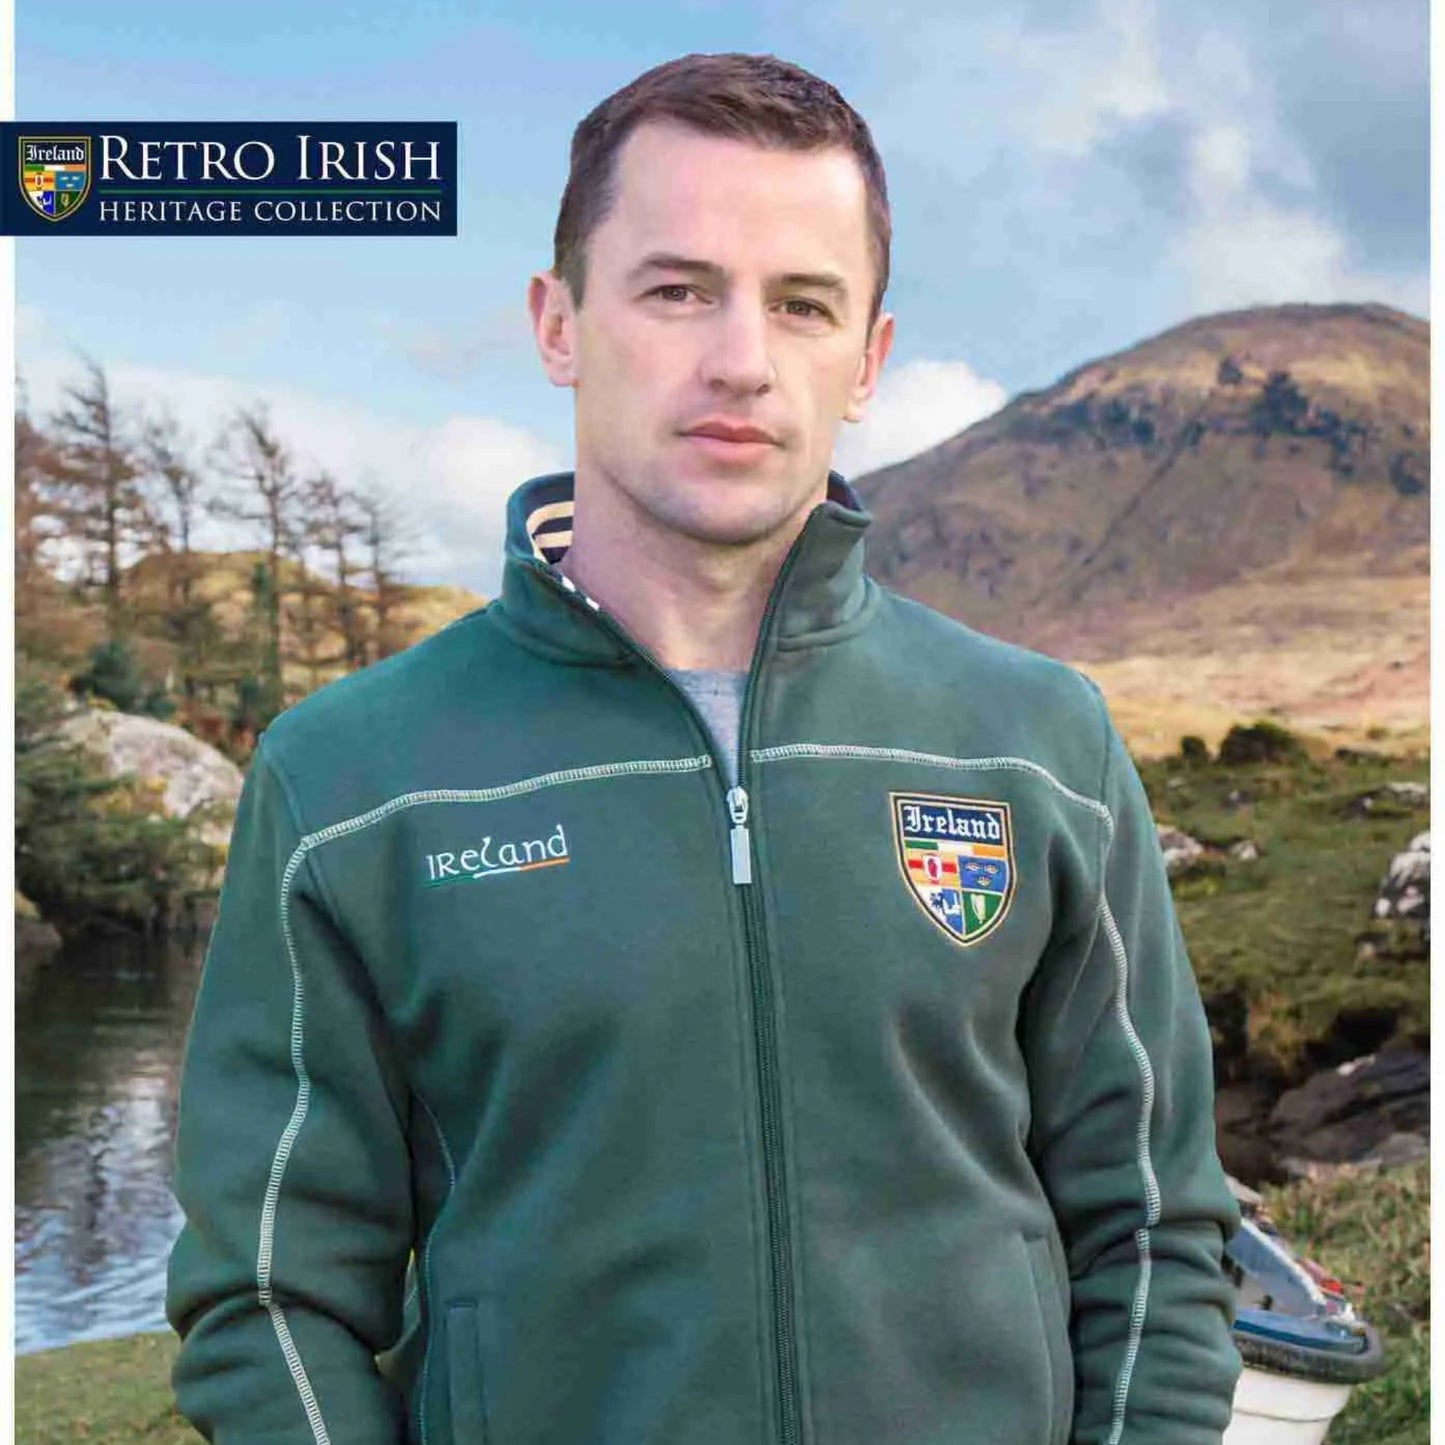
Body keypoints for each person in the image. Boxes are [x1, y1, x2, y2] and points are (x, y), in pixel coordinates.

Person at [167, 52, 1242, 1445]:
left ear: (866, 360)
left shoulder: (1035, 744)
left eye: (802, 304)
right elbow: (268, 1296)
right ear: (558, 324)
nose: (740, 356)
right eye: (676, 288)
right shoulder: (349, 779)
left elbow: (1154, 1230)